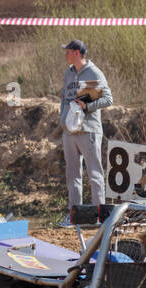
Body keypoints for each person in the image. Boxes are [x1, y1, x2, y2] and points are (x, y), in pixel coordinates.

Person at [60, 39, 113, 222]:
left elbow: (108, 99)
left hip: (89, 130)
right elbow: (64, 99)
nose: (65, 55)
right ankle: (74, 215)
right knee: (72, 175)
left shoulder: (94, 72)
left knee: (94, 173)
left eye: (68, 51)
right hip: (69, 132)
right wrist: (63, 120)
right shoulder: (68, 73)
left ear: (77, 53)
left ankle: (100, 216)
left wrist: (87, 106)